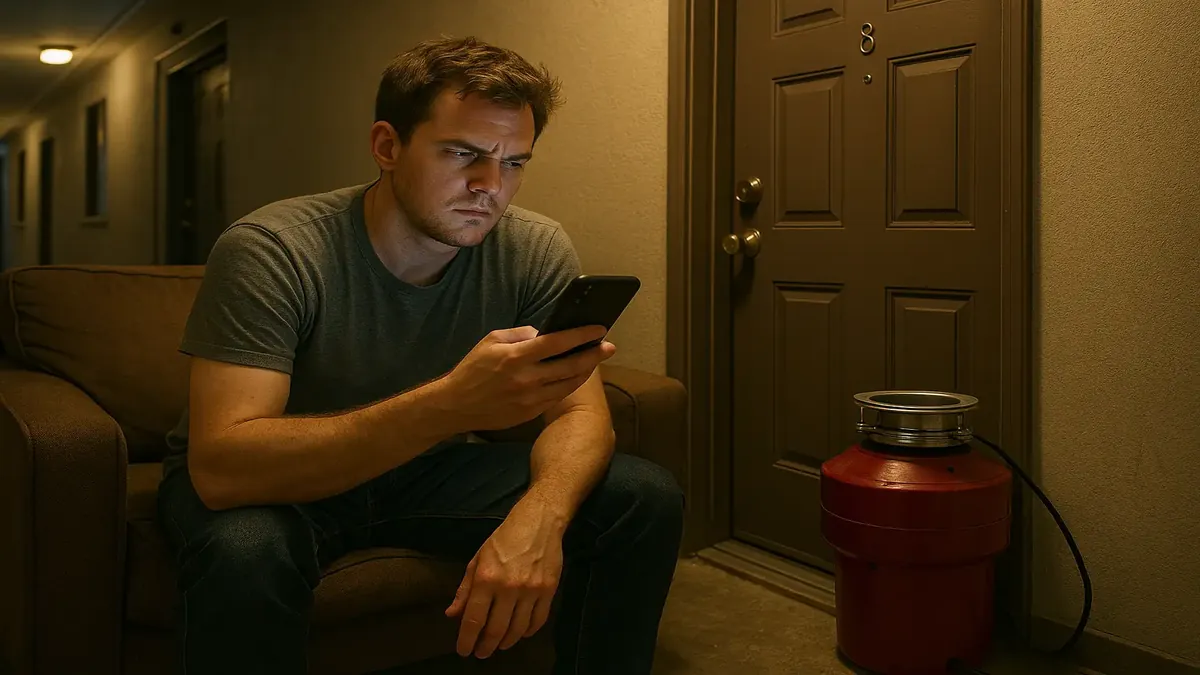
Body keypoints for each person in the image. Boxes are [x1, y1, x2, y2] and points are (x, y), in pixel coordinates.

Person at [156, 35, 685, 675]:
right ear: (387, 146)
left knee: (641, 495)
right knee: (246, 551)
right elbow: (222, 467)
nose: (490, 186)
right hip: (278, 482)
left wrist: (540, 518)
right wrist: (451, 405)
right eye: (463, 154)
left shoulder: (534, 250)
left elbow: (579, 415)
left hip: (423, 470)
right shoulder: (273, 249)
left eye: (515, 162)